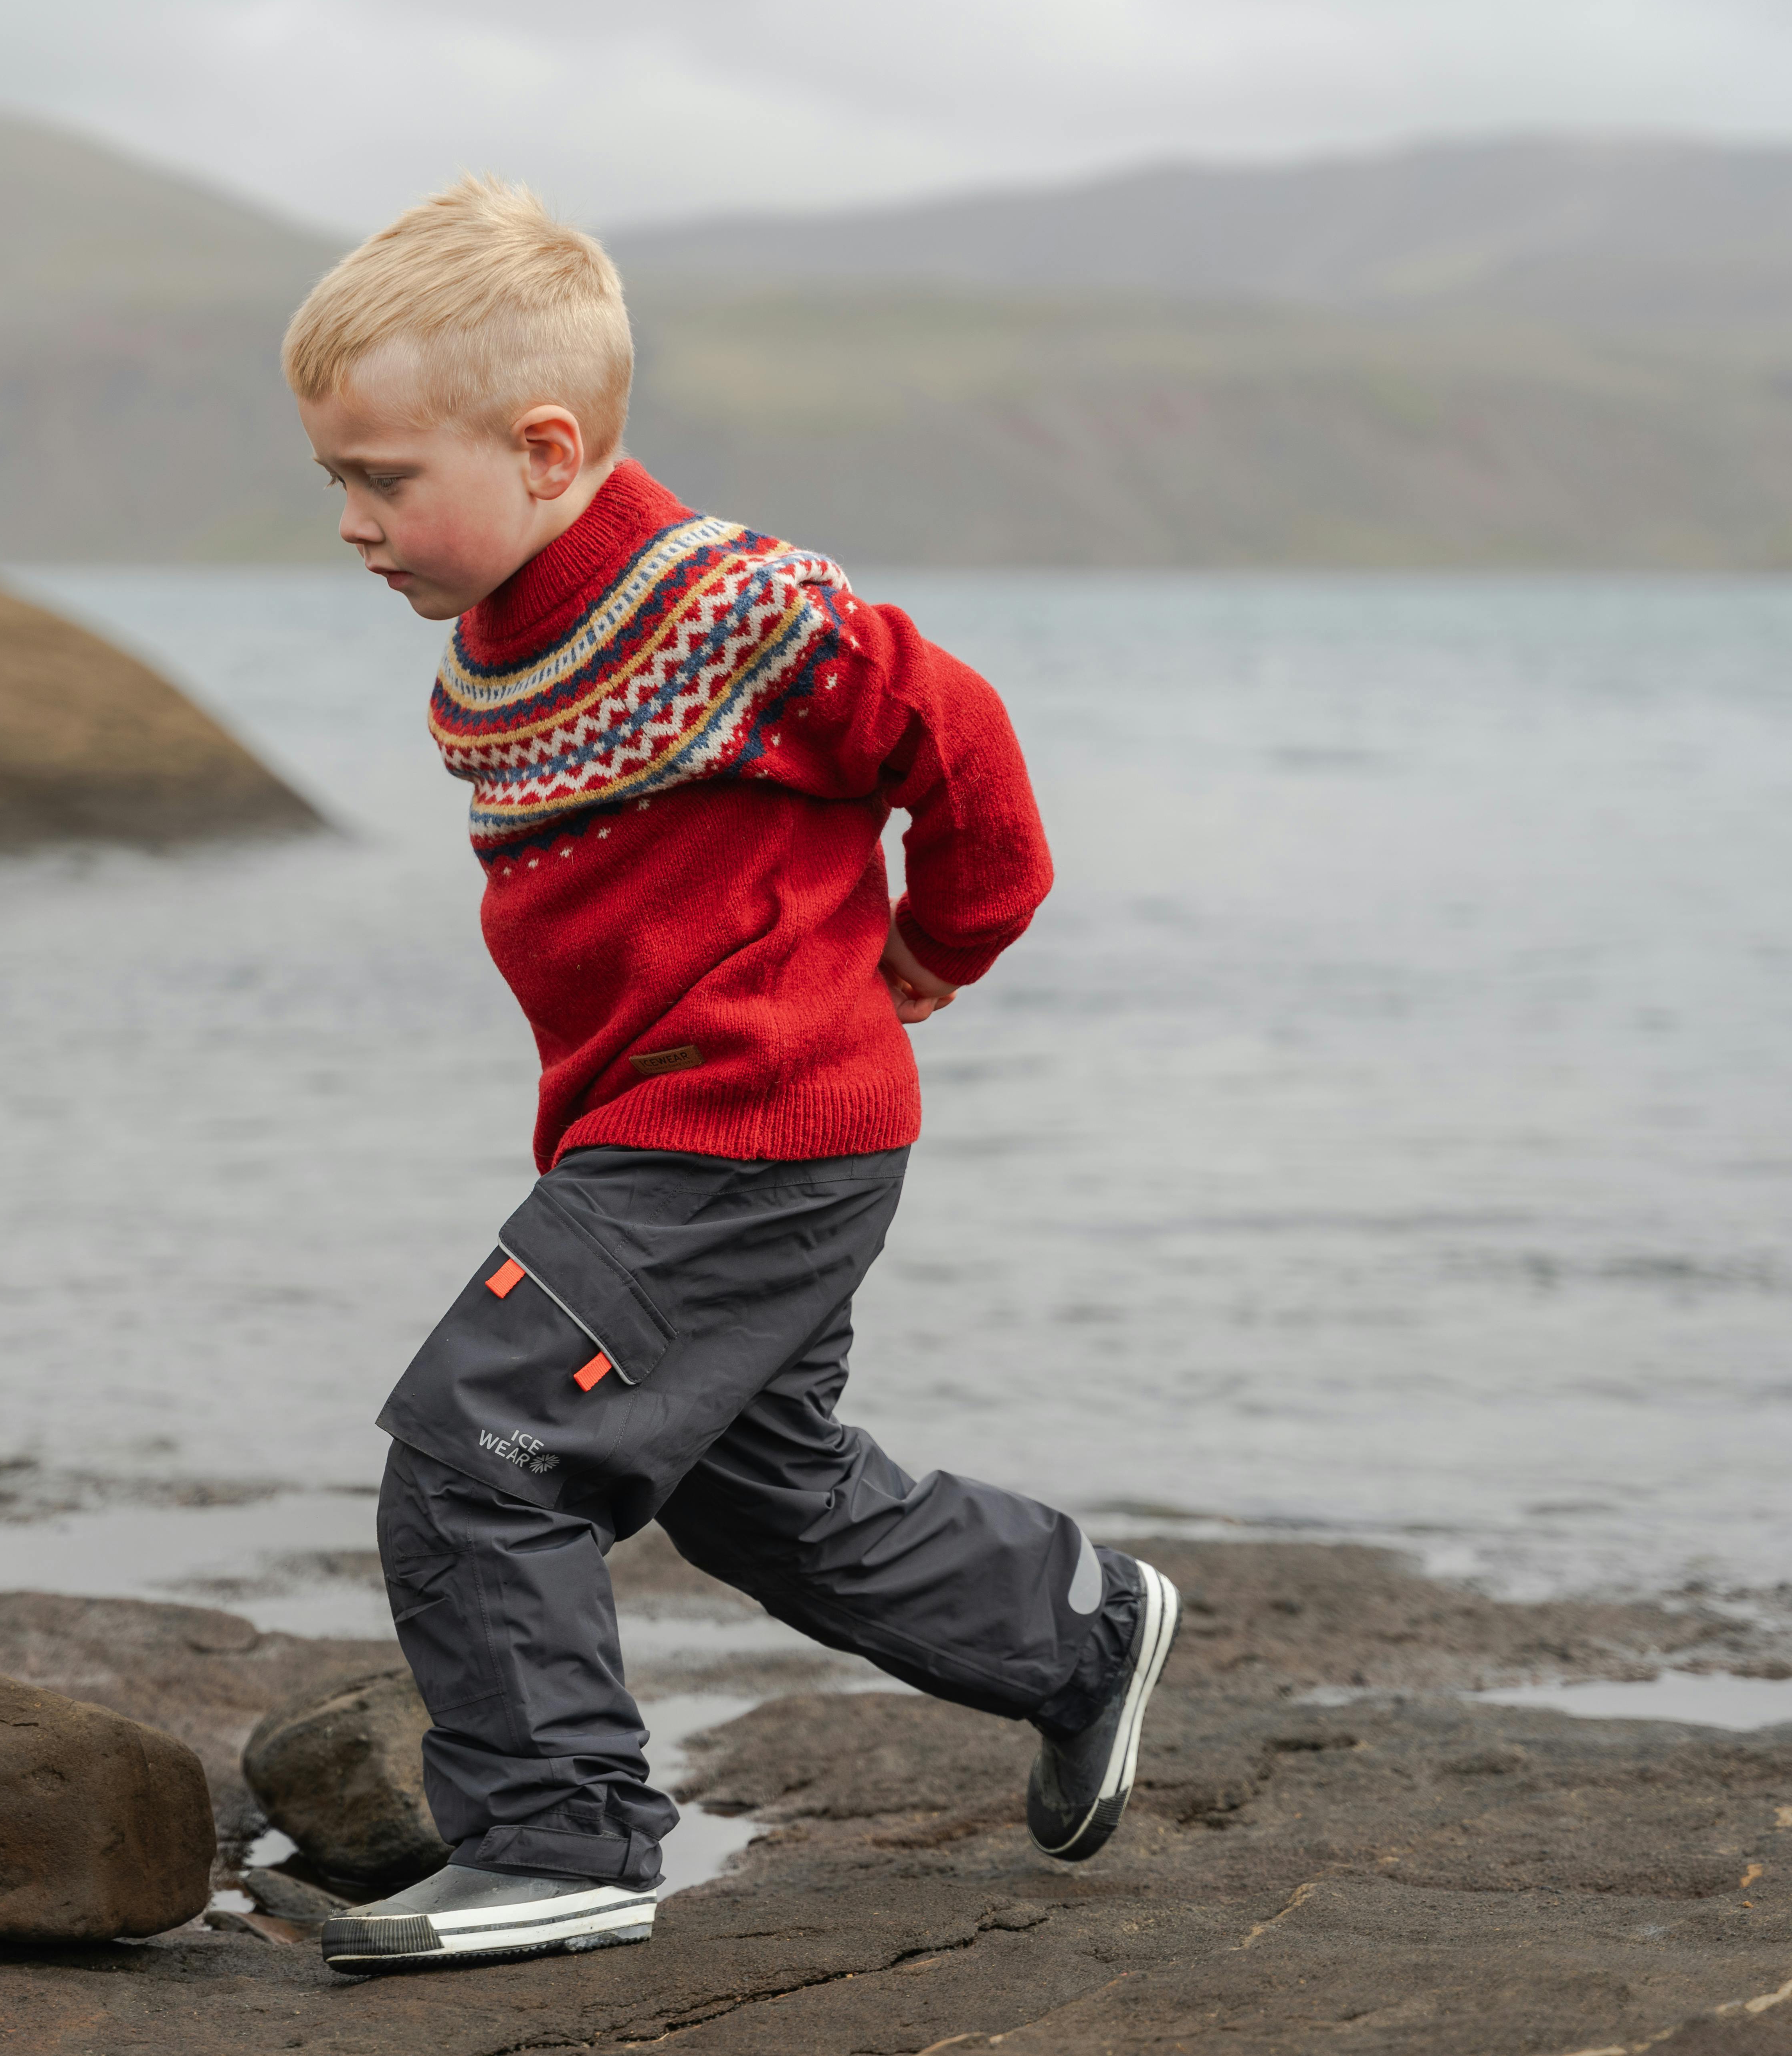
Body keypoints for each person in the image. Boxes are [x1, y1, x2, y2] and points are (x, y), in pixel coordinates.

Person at [281, 176, 1181, 1977]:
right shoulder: (502, 643)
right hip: (684, 1133)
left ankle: (561, 1841)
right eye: (337, 485)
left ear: (546, 449)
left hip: (742, 1129)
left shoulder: (730, 604)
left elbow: (959, 736)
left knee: (478, 1457)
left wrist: (946, 939)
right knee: (755, 1495)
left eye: (385, 479)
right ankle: (1076, 1632)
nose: (357, 524)